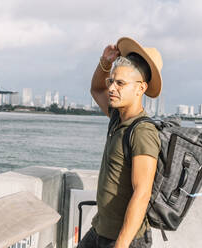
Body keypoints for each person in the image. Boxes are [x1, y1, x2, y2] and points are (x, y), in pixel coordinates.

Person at [78, 37, 163, 248]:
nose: (112, 88)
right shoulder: (117, 117)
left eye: (121, 83)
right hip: (99, 231)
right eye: (112, 81)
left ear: (140, 88)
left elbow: (142, 193)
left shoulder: (142, 131)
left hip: (126, 240)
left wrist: (121, 245)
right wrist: (105, 63)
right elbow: (97, 89)